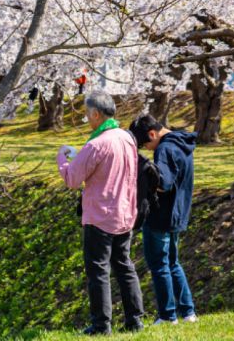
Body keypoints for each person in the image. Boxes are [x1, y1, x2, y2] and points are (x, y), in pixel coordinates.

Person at [56, 91, 144, 335]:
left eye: (87, 114)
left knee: (98, 271)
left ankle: (101, 324)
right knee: (124, 266)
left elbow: (72, 178)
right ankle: (135, 319)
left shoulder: (97, 143)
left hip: (100, 215)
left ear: (96, 114)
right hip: (125, 212)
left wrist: (62, 158)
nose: (87, 118)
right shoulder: (127, 138)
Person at [128, 115, 198, 325]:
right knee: (173, 263)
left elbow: (163, 184)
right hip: (177, 214)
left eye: (145, 144)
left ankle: (168, 316)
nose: (147, 149)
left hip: (160, 215)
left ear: (152, 134)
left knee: (159, 265)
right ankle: (188, 312)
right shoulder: (182, 142)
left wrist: (144, 170)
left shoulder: (164, 149)